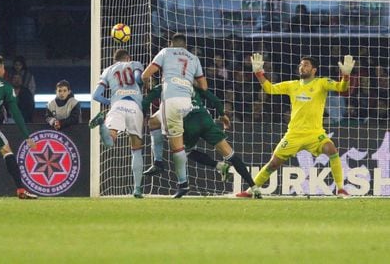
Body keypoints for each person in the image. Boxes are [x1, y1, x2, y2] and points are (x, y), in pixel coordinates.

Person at [237, 53, 355, 198]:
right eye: (301, 65)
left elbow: (342, 88)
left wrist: (346, 75)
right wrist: (258, 73)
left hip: (314, 133)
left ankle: (341, 189)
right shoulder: (292, 85)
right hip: (294, 134)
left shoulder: (322, 83)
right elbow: (270, 89)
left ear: (314, 70)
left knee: (331, 149)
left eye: (306, 65)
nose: (302, 67)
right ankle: (251, 190)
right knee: (273, 164)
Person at [142, 85, 260, 198]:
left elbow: (147, 101)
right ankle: (254, 187)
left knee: (183, 151)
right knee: (230, 154)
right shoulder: (192, 85)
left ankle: (160, 163)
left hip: (188, 123)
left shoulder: (165, 86)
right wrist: (223, 115)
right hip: (205, 120)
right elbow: (215, 100)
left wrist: (143, 113)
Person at [141, 33, 207, 198]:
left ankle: (183, 183)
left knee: (176, 146)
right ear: (185, 46)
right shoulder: (194, 58)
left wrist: (146, 83)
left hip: (171, 101)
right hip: (187, 102)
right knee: (153, 122)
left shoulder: (165, 52)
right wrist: (187, 81)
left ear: (172, 43)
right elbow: (204, 87)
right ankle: (158, 162)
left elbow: (145, 74)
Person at [0, 55, 37, 199]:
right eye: (3, 67)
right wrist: (26, 136)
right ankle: (21, 190)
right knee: (6, 150)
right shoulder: (5, 86)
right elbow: (15, 113)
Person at [88, 49, 145, 198]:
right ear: (128, 57)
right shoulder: (135, 64)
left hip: (117, 106)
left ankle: (101, 124)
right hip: (134, 106)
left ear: (115, 60)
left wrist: (110, 102)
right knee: (136, 148)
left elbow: (96, 96)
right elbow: (139, 78)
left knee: (109, 142)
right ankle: (137, 189)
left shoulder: (108, 70)